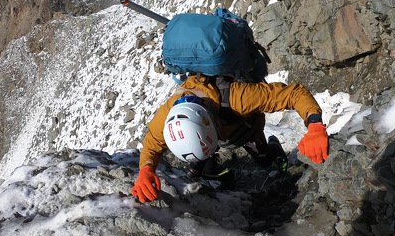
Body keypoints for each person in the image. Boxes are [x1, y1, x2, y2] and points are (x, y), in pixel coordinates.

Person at [130, 74, 329, 203]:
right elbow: (152, 144)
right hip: (211, 134)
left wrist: (315, 125)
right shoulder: (167, 117)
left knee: (264, 160)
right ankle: (224, 175)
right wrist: (146, 169)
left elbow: (293, 93)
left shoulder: (239, 98)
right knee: (197, 171)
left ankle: (273, 150)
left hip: (244, 130)